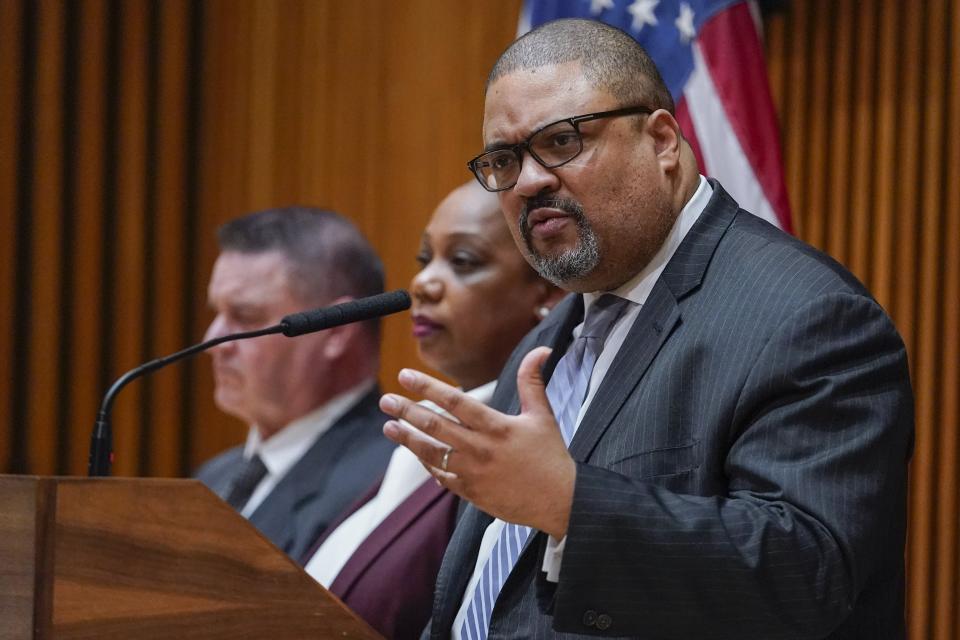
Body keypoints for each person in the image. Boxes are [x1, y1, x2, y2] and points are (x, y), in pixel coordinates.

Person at [379, 19, 914, 640]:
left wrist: (570, 504)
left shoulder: (809, 317)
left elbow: (808, 572)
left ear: (662, 139)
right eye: (504, 159)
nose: (528, 181)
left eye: (560, 142)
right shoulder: (549, 340)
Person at [301, 181, 562, 639]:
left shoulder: (520, 455)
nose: (423, 283)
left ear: (547, 294)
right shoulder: (421, 432)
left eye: (462, 262)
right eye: (425, 260)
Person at [195, 206, 396, 562]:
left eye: (244, 317)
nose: (214, 341)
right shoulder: (213, 477)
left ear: (335, 328)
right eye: (217, 313)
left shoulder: (389, 479)